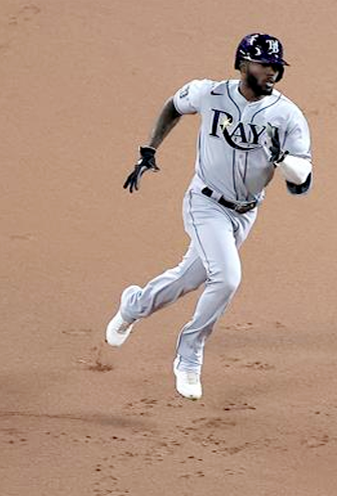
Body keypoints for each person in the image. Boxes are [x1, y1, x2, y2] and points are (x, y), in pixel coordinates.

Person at [106, 33, 313, 400]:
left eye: (277, 67)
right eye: (266, 65)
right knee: (228, 278)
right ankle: (189, 354)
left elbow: (303, 181)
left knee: (188, 278)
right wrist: (149, 149)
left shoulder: (287, 115)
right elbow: (173, 105)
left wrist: (282, 160)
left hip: (245, 214)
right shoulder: (209, 93)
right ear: (243, 63)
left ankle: (133, 305)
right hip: (204, 203)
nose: (273, 73)